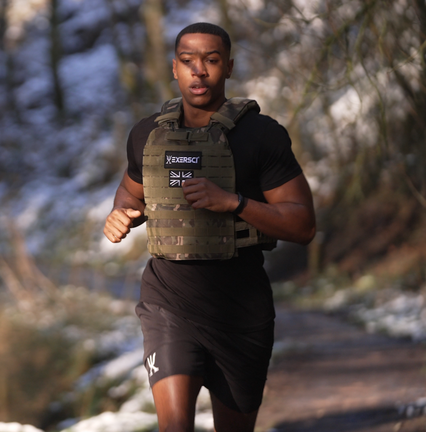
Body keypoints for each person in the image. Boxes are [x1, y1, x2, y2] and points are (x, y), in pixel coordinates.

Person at [103, 23, 316, 432]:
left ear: (229, 67)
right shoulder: (147, 134)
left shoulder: (261, 135)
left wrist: (233, 202)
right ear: (174, 68)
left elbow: (303, 224)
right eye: (188, 61)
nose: (198, 71)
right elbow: (130, 193)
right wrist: (121, 215)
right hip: (168, 302)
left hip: (241, 308)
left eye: (211, 60)